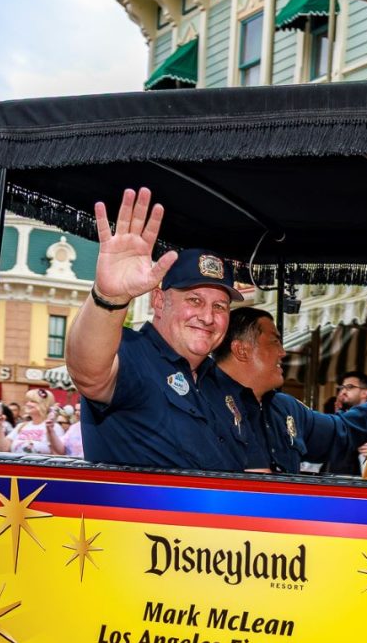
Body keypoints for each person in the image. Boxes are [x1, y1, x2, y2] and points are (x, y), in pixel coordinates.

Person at [67, 188, 255, 470]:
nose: (207, 317)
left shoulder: (222, 384)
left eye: (219, 307)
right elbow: (87, 371)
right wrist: (109, 297)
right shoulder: (131, 354)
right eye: (194, 300)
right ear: (158, 301)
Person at [212, 307, 367, 473]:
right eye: (274, 342)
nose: (282, 352)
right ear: (242, 350)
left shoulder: (285, 408)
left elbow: (342, 431)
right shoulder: (206, 406)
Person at [0, 388, 64, 454]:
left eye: (33, 401)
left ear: (44, 404)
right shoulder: (21, 426)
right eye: (27, 401)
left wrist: (50, 430)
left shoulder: (54, 427)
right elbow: (3, 449)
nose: (27, 404)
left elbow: (58, 453)